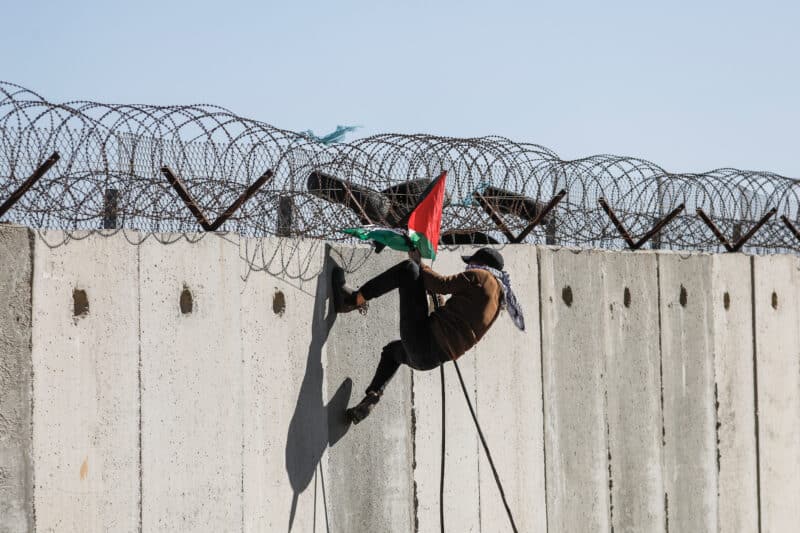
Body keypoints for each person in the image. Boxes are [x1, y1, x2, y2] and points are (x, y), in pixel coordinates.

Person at [332, 247, 525, 424]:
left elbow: (440, 284)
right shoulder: (498, 301)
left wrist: (419, 262)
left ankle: (351, 300)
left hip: (424, 339)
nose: (468, 267)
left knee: (408, 270)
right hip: (431, 359)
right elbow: (458, 322)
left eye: (471, 263)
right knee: (392, 353)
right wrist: (437, 303)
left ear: (481, 263)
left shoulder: (481, 276)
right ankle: (372, 397)